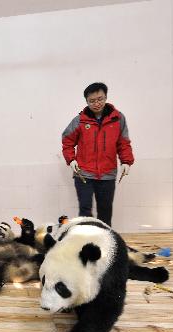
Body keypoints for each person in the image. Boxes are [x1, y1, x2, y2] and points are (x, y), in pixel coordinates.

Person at [61, 82, 135, 226]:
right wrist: (71, 160)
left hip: (108, 174)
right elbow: (67, 141)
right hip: (83, 174)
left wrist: (126, 161)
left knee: (105, 211)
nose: (97, 103)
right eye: (92, 101)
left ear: (106, 97)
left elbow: (123, 142)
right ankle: (86, 242)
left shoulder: (118, 118)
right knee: (85, 211)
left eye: (100, 99)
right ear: (87, 101)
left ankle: (105, 243)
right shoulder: (80, 120)